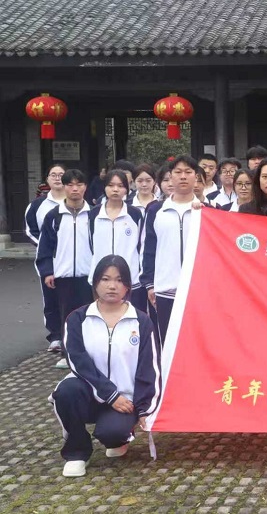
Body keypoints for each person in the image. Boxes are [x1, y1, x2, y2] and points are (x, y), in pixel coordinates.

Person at [50, 255, 161, 478]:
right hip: (88, 393)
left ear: (128, 286)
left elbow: (150, 368)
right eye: (105, 279)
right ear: (95, 283)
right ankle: (77, 452)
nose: (112, 286)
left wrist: (144, 408)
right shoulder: (77, 319)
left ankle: (118, 437)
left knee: (113, 434)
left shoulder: (141, 321)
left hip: (124, 400)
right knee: (66, 392)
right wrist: (110, 394)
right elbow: (78, 361)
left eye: (119, 280)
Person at [36, 169, 95, 369]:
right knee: (67, 316)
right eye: (70, 184)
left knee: (90, 316)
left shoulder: (94, 214)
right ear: (65, 187)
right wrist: (47, 271)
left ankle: (89, 354)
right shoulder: (54, 216)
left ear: (85, 187)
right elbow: (45, 247)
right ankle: (67, 354)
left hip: (89, 275)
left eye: (79, 184)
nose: (75, 189)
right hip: (63, 275)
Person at [141, 156, 201, 341]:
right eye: (178, 172)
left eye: (188, 172)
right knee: (167, 342)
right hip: (165, 288)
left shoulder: (206, 211)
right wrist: (150, 284)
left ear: (196, 177)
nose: (183, 176)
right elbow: (148, 248)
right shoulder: (155, 211)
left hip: (198, 290)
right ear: (170, 176)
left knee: (197, 341)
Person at [88, 170, 146, 313]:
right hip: (101, 277)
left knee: (131, 316)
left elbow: (141, 245)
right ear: (104, 187)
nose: (115, 190)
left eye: (120, 186)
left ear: (127, 188)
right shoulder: (94, 214)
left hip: (130, 277)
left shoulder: (134, 214)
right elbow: (91, 244)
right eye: (111, 185)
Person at [25, 164, 66, 352]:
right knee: (51, 299)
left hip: (72, 259)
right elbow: (30, 230)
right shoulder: (37, 205)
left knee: (72, 297)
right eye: (53, 175)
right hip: (48, 260)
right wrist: (47, 247)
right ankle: (55, 336)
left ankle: (72, 334)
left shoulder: (77, 201)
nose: (57, 178)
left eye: (61, 175)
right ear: (47, 179)